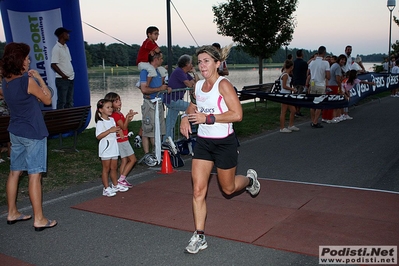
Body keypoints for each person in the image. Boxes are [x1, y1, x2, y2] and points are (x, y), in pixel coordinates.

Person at [179, 45, 260, 254]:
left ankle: (250, 180)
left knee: (228, 189)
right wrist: (185, 118)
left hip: (225, 142)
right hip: (204, 143)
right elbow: (193, 106)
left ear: (217, 63)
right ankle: (200, 235)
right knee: (198, 190)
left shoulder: (224, 85)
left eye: (206, 61)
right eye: (200, 61)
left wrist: (209, 118)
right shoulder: (197, 86)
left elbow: (237, 114)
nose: (202, 65)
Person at [0, 42, 57, 231]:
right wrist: (40, 79)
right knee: (34, 175)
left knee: (15, 172)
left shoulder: (5, 83)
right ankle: (39, 218)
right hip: (33, 132)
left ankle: (12, 212)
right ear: (19, 61)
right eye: (26, 58)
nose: (29, 60)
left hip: (15, 131)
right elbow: (48, 99)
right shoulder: (27, 82)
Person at [95, 99, 129, 197]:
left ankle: (115, 185)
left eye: (111, 107)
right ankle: (106, 188)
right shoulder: (100, 122)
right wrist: (110, 131)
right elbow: (98, 136)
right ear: (101, 110)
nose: (110, 109)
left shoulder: (112, 120)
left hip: (114, 147)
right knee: (106, 169)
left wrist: (119, 131)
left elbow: (115, 129)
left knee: (114, 167)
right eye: (108, 107)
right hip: (106, 148)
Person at [139, 52, 171, 156]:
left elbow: (160, 86)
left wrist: (166, 88)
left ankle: (157, 151)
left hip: (158, 104)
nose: (162, 60)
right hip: (150, 104)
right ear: (156, 59)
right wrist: (159, 89)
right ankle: (149, 153)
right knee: (149, 129)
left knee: (160, 129)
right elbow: (144, 89)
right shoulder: (146, 71)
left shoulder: (158, 71)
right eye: (161, 58)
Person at [104, 92, 138, 188]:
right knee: (132, 159)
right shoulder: (116, 115)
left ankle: (121, 180)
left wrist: (128, 118)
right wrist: (127, 118)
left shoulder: (117, 113)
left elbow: (122, 125)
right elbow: (123, 127)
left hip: (120, 139)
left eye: (119, 100)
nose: (119, 102)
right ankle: (121, 179)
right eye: (116, 101)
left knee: (124, 160)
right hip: (122, 140)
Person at [164, 54, 199, 141]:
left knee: (170, 124)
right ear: (186, 64)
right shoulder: (179, 72)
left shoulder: (185, 73)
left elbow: (197, 83)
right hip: (172, 100)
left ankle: (166, 143)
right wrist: (193, 83)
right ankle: (192, 127)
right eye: (191, 63)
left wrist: (194, 72)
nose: (192, 65)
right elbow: (190, 84)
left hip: (175, 100)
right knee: (192, 108)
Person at [307, 46, 330, 128]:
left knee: (312, 103)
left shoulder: (312, 62)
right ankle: (315, 122)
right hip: (320, 84)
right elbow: (328, 76)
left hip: (312, 84)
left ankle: (313, 120)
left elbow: (308, 73)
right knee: (319, 104)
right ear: (324, 52)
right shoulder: (325, 63)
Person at [51, 27, 75, 109]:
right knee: (62, 101)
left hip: (70, 78)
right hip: (62, 79)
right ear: (61, 35)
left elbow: (67, 62)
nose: (68, 35)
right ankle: (60, 119)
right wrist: (63, 75)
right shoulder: (56, 48)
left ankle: (69, 119)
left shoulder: (66, 47)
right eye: (66, 33)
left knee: (69, 101)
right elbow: (53, 64)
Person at [323, 54, 347, 124]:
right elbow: (337, 79)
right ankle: (330, 118)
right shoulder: (338, 67)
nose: (343, 61)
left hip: (329, 85)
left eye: (344, 60)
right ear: (339, 59)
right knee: (332, 102)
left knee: (328, 102)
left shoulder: (333, 65)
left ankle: (325, 117)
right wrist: (340, 88)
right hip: (333, 86)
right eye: (342, 59)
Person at [279, 60, 299, 133]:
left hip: (288, 95)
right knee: (283, 112)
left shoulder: (286, 74)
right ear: (291, 67)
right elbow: (284, 86)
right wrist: (292, 89)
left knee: (293, 110)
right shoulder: (285, 75)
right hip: (284, 94)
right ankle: (282, 128)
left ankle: (291, 125)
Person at [292, 49, 308, 116]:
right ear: (302, 55)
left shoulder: (293, 62)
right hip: (302, 81)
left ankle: (295, 110)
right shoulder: (304, 63)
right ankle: (297, 111)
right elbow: (306, 73)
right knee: (300, 96)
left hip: (295, 81)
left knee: (295, 95)